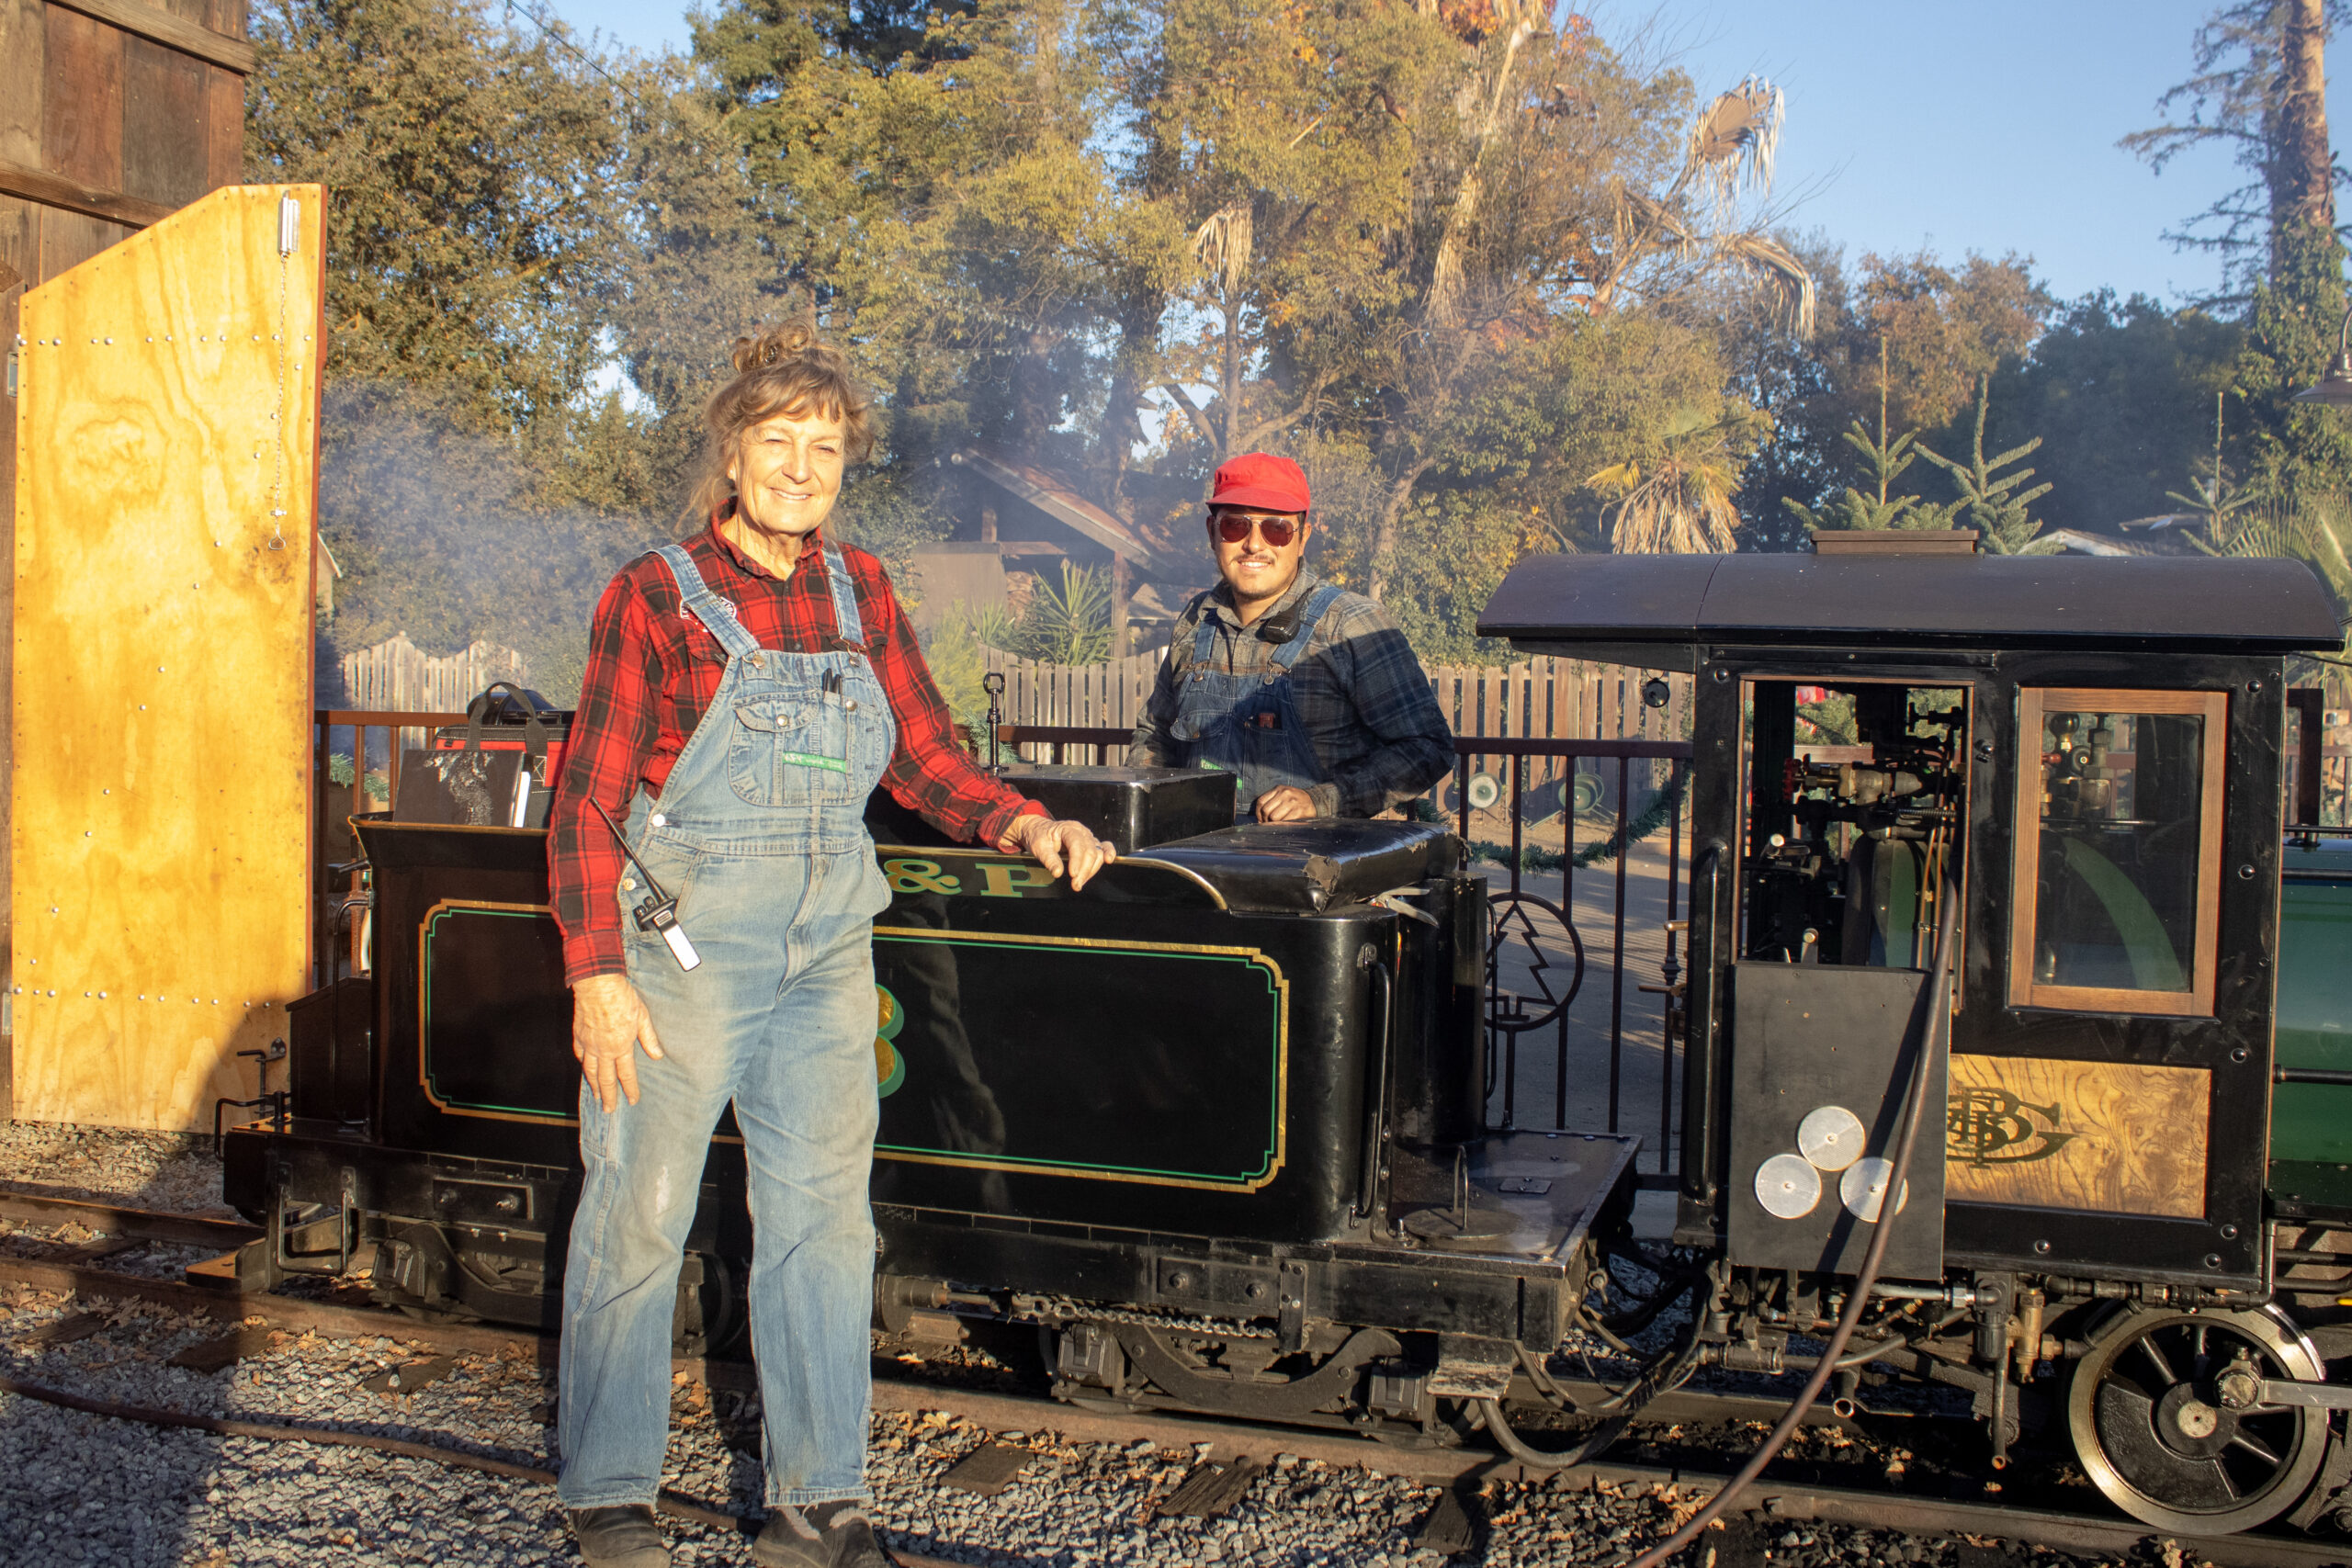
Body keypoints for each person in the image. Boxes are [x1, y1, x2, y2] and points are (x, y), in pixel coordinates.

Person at [546, 321, 1114, 1568]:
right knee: (641, 1211)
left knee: (821, 1219)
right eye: (778, 439)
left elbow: (923, 756)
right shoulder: (654, 592)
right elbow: (587, 794)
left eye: (826, 444)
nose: (802, 465)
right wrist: (595, 972)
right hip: (684, 951)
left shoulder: (863, 589)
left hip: (825, 951)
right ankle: (609, 1496)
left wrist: (1021, 818)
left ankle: (819, 1503)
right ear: (732, 451)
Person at [1129, 451, 1453, 821]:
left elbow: (1428, 747)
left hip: (1315, 868)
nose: (1254, 544)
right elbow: (1154, 735)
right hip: (1196, 861)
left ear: (1302, 538)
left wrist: (1322, 800)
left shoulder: (1351, 625)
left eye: (1276, 529)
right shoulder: (1194, 621)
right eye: (1236, 526)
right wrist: (1148, 815)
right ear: (1212, 533)